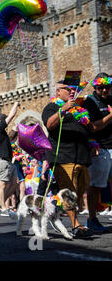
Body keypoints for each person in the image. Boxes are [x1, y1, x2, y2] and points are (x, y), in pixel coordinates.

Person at [41, 80, 94, 238]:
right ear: (58, 92)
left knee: (79, 191)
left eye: (74, 89)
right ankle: (76, 226)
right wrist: (63, 109)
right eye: (68, 89)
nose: (72, 91)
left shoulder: (80, 109)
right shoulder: (52, 107)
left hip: (82, 157)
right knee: (69, 192)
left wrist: (93, 144)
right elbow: (49, 125)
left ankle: (53, 211)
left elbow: (89, 129)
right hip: (63, 156)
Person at [83, 72, 112, 232]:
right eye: (101, 87)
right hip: (100, 148)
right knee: (96, 186)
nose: (105, 90)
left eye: (107, 87)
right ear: (96, 87)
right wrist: (111, 116)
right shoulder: (90, 102)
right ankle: (92, 219)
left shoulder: (111, 99)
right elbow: (92, 127)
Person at [0, 102, 19, 217]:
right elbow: (11, 115)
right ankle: (4, 208)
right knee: (2, 184)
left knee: (14, 183)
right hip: (2, 161)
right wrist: (16, 104)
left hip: (8, 161)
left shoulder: (2, 132)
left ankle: (0, 202)